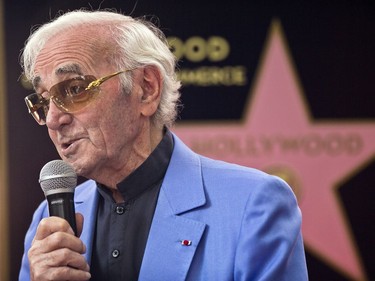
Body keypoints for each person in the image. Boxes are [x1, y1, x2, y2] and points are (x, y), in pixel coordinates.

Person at [18, 9, 308, 281]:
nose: (54, 120)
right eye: (43, 100)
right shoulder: (48, 220)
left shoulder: (254, 204)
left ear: (147, 89)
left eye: (74, 89)